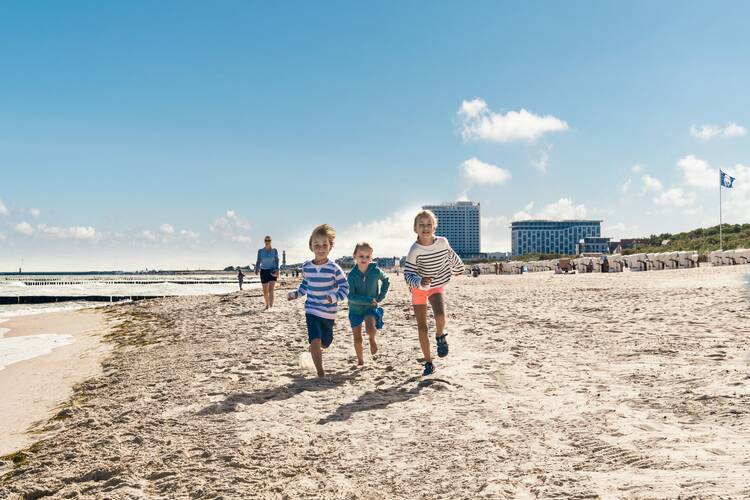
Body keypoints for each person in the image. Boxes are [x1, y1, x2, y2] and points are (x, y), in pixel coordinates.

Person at [404, 210, 464, 376]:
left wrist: (459, 268)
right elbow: (408, 274)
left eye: (429, 224)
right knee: (422, 328)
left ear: (434, 226)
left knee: (440, 317)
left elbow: (451, 256)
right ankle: (429, 363)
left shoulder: (442, 242)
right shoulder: (414, 250)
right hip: (418, 290)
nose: (425, 227)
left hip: (436, 286)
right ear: (415, 228)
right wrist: (419, 282)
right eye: (421, 225)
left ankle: (439, 335)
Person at [287, 224, 349, 378]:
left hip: (328, 313)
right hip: (312, 310)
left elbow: (345, 287)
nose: (320, 249)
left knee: (325, 342)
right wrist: (296, 294)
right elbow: (306, 285)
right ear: (311, 246)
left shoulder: (334, 268)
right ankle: (320, 371)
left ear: (330, 247)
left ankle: (315, 348)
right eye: (317, 245)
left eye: (324, 245)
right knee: (315, 340)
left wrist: (333, 297)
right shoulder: (307, 267)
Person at [346, 242, 390, 365]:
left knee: (370, 327)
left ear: (371, 257)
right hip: (355, 309)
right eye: (361, 256)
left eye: (367, 256)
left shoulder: (375, 271)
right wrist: (367, 299)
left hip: (370, 307)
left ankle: (372, 339)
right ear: (354, 256)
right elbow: (350, 296)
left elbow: (386, 280)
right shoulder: (352, 276)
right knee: (357, 338)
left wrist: (381, 295)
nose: (364, 259)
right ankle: (360, 360)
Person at [255, 236, 279, 310]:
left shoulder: (274, 250)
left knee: (271, 290)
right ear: (264, 241)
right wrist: (257, 269)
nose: (267, 241)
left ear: (271, 241)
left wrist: (277, 270)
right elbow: (258, 261)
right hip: (264, 271)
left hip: (272, 271)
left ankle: (271, 307)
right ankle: (267, 305)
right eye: (266, 240)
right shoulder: (260, 251)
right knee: (265, 291)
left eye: (269, 240)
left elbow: (277, 260)